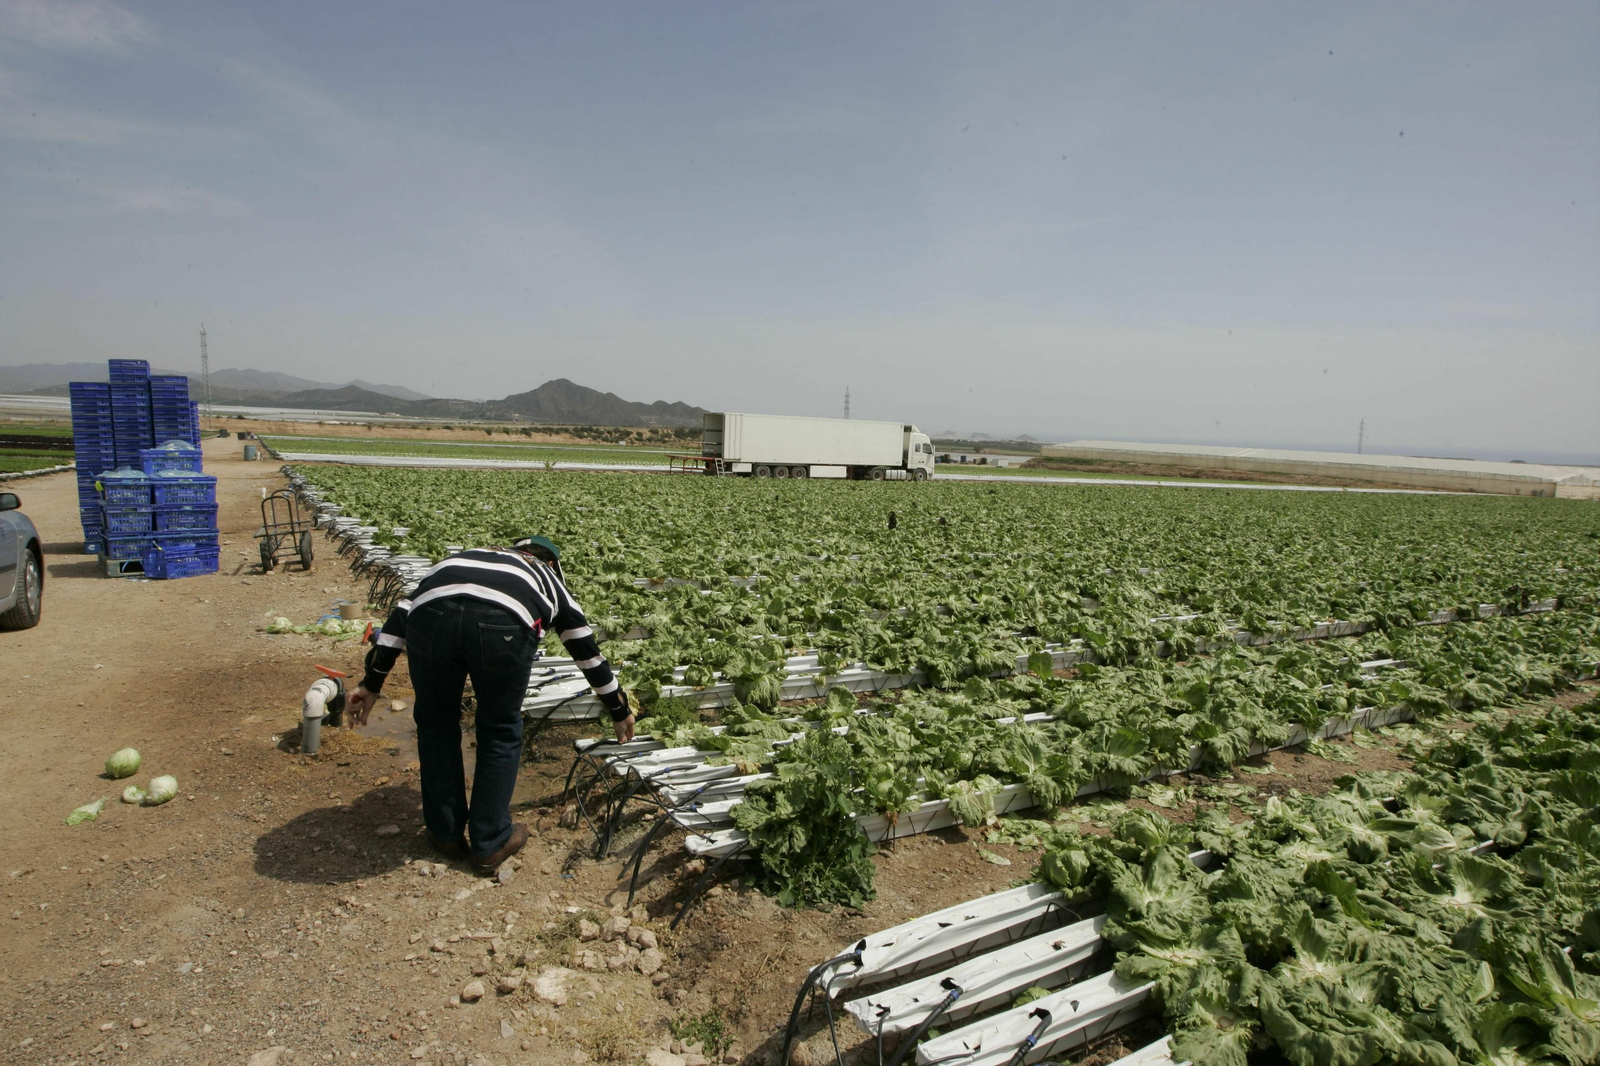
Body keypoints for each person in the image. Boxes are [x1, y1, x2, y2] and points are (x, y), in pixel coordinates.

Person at [345, 535, 634, 873]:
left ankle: (445, 833)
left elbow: (399, 618)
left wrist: (371, 683)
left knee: (436, 723)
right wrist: (617, 707)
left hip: (432, 618)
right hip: (503, 623)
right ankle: (490, 842)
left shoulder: (462, 558)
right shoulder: (546, 575)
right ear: (553, 563)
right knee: (499, 728)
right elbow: (586, 651)